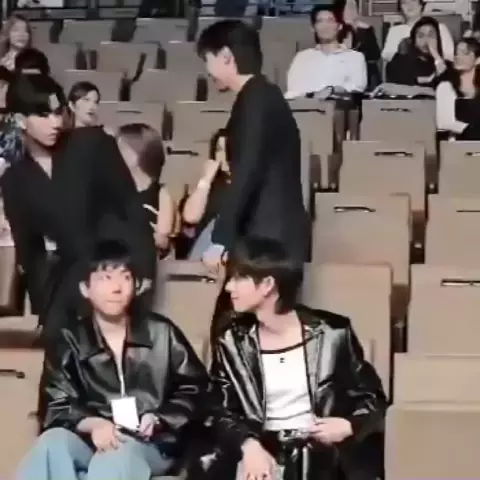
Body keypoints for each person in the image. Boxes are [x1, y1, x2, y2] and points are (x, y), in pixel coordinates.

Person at [191, 237, 387, 480]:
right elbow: (220, 408)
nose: (229, 287)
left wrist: (349, 425)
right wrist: (249, 444)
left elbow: (373, 398)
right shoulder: (231, 340)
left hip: (320, 452)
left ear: (267, 285)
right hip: (262, 449)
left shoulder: (333, 333)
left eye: (239, 278)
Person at [15, 239, 209, 480]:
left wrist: (160, 418)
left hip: (151, 443)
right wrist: (93, 424)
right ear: (85, 288)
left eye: (125, 278)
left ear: (136, 286)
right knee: (50, 444)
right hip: (92, 440)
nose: (117, 288)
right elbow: (55, 404)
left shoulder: (161, 333)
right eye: (105, 278)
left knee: (114, 455)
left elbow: (197, 389)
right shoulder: (70, 340)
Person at [1, 74, 155, 343]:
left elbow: (130, 206)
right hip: (71, 280)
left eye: (58, 112)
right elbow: (30, 252)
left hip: (116, 266)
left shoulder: (91, 143)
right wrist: (44, 305)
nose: (56, 122)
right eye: (44, 115)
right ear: (20, 119)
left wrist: (143, 269)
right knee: (58, 340)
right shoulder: (15, 179)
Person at [196, 20, 309, 271]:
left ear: (226, 56)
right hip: (268, 231)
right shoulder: (260, 95)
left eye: (207, 59)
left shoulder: (256, 98)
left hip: (268, 238)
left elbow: (248, 168)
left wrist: (221, 239)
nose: (207, 69)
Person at [116, 122, 176, 255]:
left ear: (137, 154)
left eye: (120, 149)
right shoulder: (115, 192)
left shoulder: (162, 194)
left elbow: (163, 239)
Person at [286, 4, 367, 99]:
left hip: (340, 106)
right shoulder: (302, 57)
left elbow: (357, 87)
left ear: (339, 26)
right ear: (313, 28)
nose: (325, 26)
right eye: (320, 21)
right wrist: (313, 95)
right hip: (307, 105)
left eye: (330, 20)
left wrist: (332, 90)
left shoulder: (355, 57)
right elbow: (293, 90)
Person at [183, 130, 231, 260]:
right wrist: (206, 179)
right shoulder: (209, 186)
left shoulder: (249, 185)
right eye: (219, 150)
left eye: (229, 149)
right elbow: (190, 217)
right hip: (203, 255)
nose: (223, 156)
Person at [386, 16, 448, 88]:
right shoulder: (401, 60)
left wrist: (437, 57)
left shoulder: (445, 64)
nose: (426, 40)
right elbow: (396, 78)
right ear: (414, 41)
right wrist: (428, 79)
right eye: (421, 36)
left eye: (431, 35)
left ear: (438, 39)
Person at [382, 0, 454, 62]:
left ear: (421, 5)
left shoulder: (440, 28)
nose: (410, 5)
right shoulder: (395, 31)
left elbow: (449, 55)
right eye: (404, 3)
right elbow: (386, 55)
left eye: (413, 0)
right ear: (401, 8)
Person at [436, 38, 480, 140]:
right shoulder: (445, 86)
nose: (458, 57)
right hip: (458, 143)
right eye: (456, 53)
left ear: (478, 59)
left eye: (465, 53)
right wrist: (471, 130)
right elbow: (444, 122)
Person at [341, 0, 381, 89]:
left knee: (371, 69)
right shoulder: (335, 28)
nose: (351, 11)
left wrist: (363, 32)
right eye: (348, 7)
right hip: (341, 70)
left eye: (353, 7)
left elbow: (375, 56)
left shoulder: (366, 29)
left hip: (364, 69)